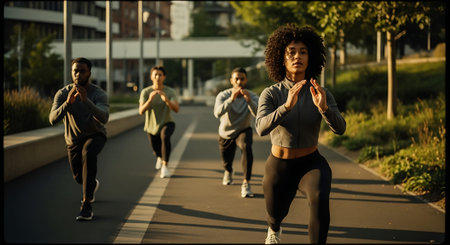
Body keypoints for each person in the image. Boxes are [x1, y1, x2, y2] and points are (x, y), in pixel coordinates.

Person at [255, 24, 346, 244]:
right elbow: (260, 128)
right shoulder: (271, 93)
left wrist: (324, 108)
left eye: (303, 52)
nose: (298, 56)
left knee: (319, 197)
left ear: (310, 57)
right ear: (282, 59)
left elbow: (340, 128)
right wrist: (286, 107)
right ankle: (274, 229)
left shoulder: (320, 93)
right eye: (291, 52)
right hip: (279, 165)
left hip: (310, 163)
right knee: (275, 215)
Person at [49, 57, 109, 221]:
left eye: (82, 71)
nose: (78, 74)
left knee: (88, 154)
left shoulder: (98, 93)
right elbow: (52, 119)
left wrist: (85, 101)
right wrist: (68, 103)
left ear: (89, 73)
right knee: (79, 178)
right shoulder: (62, 93)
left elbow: (104, 117)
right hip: (73, 140)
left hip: (95, 135)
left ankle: (86, 206)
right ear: (71, 72)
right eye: (75, 71)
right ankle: (91, 184)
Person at [213, 67, 259, 198]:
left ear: (246, 80)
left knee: (246, 147)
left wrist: (249, 101)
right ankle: (228, 171)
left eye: (242, 79)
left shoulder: (252, 95)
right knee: (226, 161)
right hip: (225, 133)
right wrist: (231, 100)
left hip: (243, 130)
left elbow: (258, 114)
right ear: (231, 81)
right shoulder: (223, 95)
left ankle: (246, 183)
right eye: (236, 79)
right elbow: (217, 113)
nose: (239, 81)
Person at [139, 66, 179, 178]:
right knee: (156, 149)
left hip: (167, 122)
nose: (157, 77)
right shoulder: (146, 92)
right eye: (155, 75)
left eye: (160, 75)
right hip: (151, 126)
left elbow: (176, 109)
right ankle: (159, 157)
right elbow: (141, 111)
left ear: (164, 77)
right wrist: (150, 100)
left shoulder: (170, 91)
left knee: (165, 137)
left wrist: (166, 100)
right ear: (151, 77)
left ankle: (165, 167)